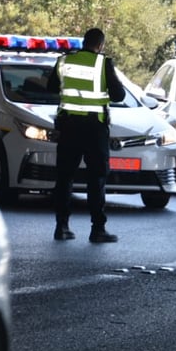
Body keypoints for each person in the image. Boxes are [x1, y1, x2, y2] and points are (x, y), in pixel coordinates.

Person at [48, 27, 126, 243]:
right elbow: (119, 95)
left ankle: (61, 226)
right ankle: (97, 229)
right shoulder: (103, 63)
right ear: (100, 45)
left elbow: (51, 86)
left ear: (84, 42)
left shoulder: (64, 61)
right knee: (97, 178)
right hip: (94, 128)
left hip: (69, 126)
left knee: (64, 177)